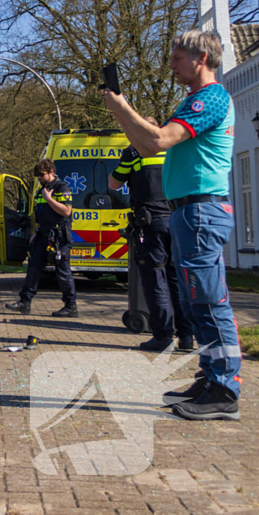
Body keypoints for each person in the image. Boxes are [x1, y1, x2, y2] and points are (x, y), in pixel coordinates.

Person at [104, 29, 240, 422]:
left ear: (201, 58)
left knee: (209, 301)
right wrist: (119, 109)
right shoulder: (195, 100)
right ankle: (211, 376)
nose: (171, 63)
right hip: (187, 212)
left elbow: (160, 140)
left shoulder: (209, 98)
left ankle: (225, 388)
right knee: (197, 302)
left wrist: (122, 105)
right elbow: (146, 145)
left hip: (200, 211)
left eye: (177, 56)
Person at [108, 117, 194, 352]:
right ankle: (187, 337)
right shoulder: (173, 149)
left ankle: (163, 336)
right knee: (178, 281)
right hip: (177, 220)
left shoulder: (134, 152)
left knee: (155, 281)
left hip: (150, 224)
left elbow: (114, 183)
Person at [5, 158, 78, 317]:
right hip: (43, 236)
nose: (39, 178)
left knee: (63, 272)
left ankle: (71, 306)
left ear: (51, 172)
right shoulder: (42, 190)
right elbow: (40, 215)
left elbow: (66, 211)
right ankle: (24, 302)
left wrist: (49, 199)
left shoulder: (62, 188)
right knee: (33, 268)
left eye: (41, 175)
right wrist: (36, 233)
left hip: (59, 238)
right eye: (37, 175)